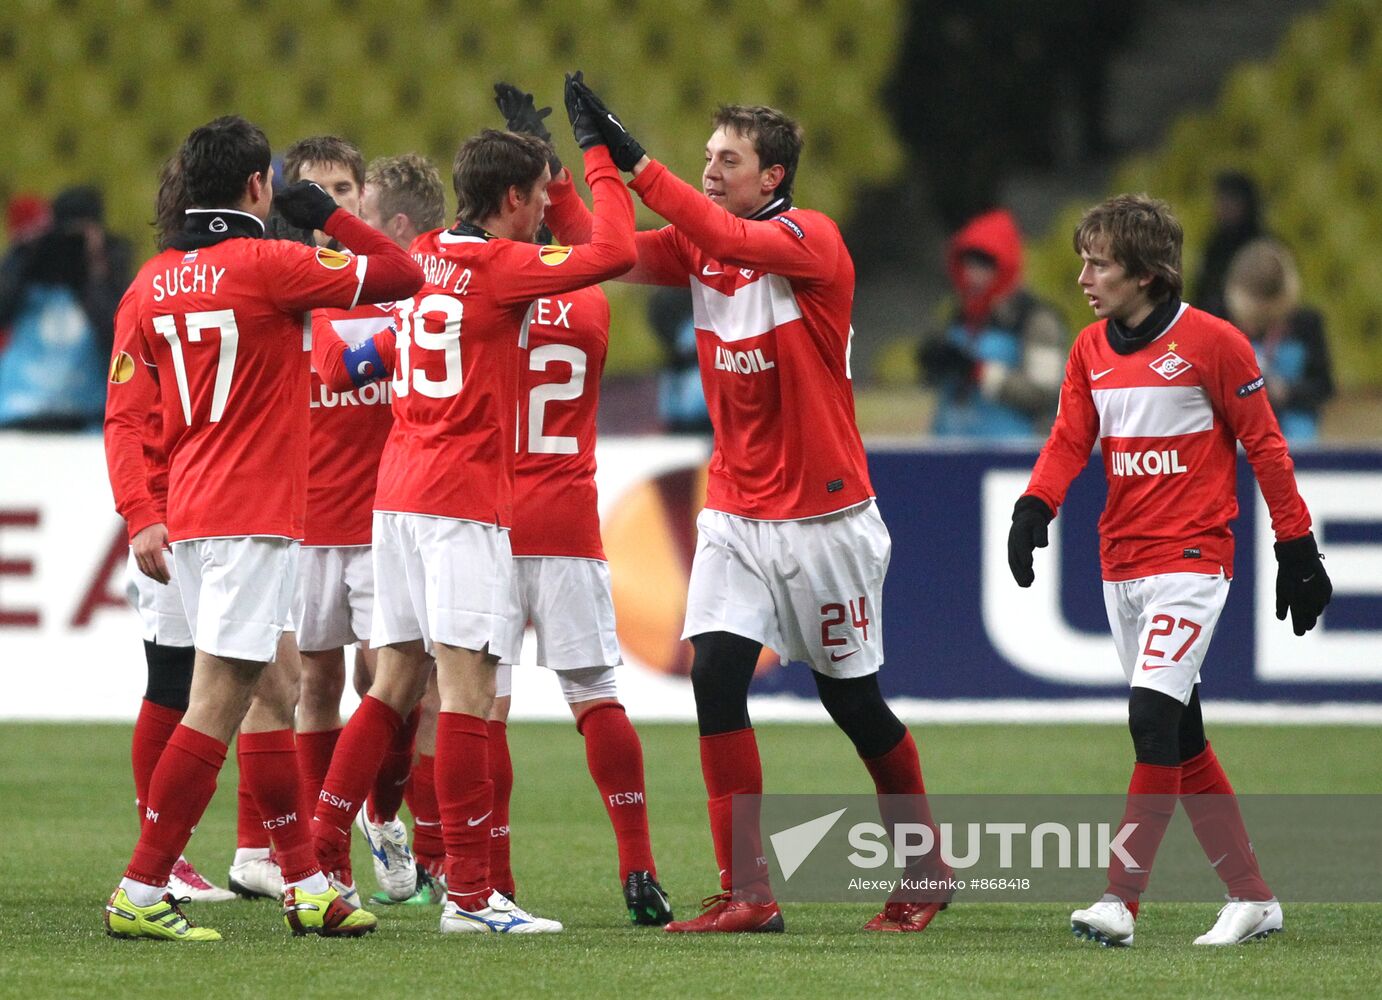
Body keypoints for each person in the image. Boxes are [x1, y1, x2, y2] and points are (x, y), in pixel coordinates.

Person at [549, 76, 951, 934]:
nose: (710, 170)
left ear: (772, 177)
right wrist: (571, 168)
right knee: (716, 678)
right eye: (706, 158)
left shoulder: (812, 239)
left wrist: (637, 161)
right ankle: (750, 892)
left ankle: (925, 866)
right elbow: (604, 246)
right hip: (736, 512)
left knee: (854, 703)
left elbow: (721, 230)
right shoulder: (703, 246)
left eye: (727, 160)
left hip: (825, 519)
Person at [307, 99, 636, 935]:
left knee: (393, 683)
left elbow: (358, 360)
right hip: (461, 503)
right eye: (535, 199)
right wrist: (594, 159)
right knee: (464, 692)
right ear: (518, 200)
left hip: (396, 495)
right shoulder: (503, 269)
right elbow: (619, 250)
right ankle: (472, 895)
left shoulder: (420, 259)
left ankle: (316, 860)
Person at [101, 114, 424, 942]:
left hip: (195, 512)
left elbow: (124, 415)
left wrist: (142, 511)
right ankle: (142, 887)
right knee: (214, 703)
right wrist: (330, 217)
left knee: (272, 692)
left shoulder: (150, 282)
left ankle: (306, 884)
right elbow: (401, 272)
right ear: (257, 188)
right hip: (250, 517)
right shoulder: (273, 265)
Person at [1008, 193, 1332, 948]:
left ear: (1148, 275)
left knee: (1151, 719)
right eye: (1083, 260)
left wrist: (1297, 547)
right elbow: (1067, 441)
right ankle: (1251, 896)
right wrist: (1035, 506)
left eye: (1101, 264)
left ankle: (1121, 900)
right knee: (1180, 734)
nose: (1084, 276)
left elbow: (1267, 448)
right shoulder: (1090, 350)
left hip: (1192, 557)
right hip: (1120, 562)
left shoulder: (1215, 344)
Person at [470, 82, 671, 925]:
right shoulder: (587, 304)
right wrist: (564, 175)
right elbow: (589, 242)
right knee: (597, 700)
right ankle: (639, 867)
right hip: (568, 518)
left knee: (485, 708)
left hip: (484, 516)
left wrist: (530, 175)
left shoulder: (486, 285)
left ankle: (497, 878)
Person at [103, 155, 236, 905]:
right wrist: (142, 512)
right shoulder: (151, 289)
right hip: (171, 504)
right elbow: (124, 414)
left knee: (220, 681)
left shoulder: (229, 283)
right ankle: (161, 855)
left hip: (208, 502)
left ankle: (246, 853)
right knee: (176, 682)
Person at [918, 208, 1066, 439]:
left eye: (984, 264)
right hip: (950, 445)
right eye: (968, 264)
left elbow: (1044, 393)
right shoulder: (961, 315)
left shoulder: (1036, 320)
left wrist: (979, 372)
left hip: (1011, 455)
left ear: (1005, 264)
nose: (973, 274)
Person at [0, 185, 132, 430]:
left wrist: (95, 274)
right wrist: (23, 257)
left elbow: (122, 340)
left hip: (87, 421)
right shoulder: (31, 267)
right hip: (18, 415)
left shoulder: (107, 273)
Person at [1223, 238, 1334, 443]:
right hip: (1239, 437)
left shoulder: (1307, 324)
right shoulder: (1220, 324)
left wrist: (1286, 391)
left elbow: (1325, 386)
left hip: (1297, 439)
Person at [1193, 171, 1265, 319]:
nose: (1221, 208)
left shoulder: (1263, 246)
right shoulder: (1214, 247)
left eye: (1229, 201)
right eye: (1220, 201)